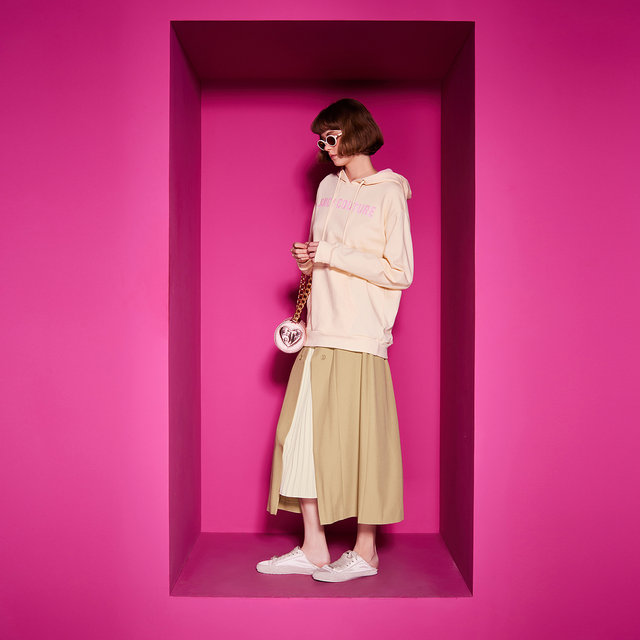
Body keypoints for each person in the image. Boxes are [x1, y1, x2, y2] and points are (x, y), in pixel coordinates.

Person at [257, 98, 414, 582]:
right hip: (320, 330)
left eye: (331, 137)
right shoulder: (327, 188)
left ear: (355, 133)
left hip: (361, 334)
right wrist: (310, 261)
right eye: (320, 140)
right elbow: (324, 257)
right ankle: (314, 547)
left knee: (366, 443)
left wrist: (332, 253)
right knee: (299, 436)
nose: (325, 147)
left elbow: (400, 272)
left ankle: (366, 552)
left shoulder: (389, 194)